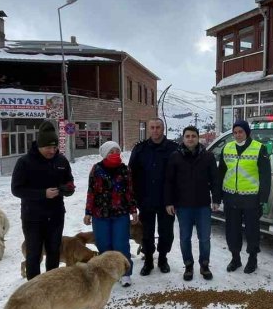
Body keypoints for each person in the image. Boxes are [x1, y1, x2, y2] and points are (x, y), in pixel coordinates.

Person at [11, 120, 75, 280]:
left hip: (56, 215)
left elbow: (70, 182)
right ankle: (34, 287)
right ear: (39, 145)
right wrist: (42, 194)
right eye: (48, 147)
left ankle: (51, 284)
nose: (52, 151)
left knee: (54, 251)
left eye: (55, 147)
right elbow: (16, 189)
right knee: (34, 253)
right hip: (33, 217)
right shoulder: (25, 162)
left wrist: (68, 189)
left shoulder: (61, 161)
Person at [165, 125, 221, 281]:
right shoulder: (175, 157)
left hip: (203, 205)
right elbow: (169, 182)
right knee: (184, 238)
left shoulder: (207, 156)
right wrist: (169, 202)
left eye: (193, 136)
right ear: (183, 138)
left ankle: (204, 265)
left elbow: (215, 180)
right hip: (183, 206)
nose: (190, 139)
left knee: (205, 238)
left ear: (198, 138)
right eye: (187, 136)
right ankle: (188, 265)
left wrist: (216, 199)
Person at [217, 119, 271, 274]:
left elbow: (265, 176)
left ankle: (252, 259)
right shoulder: (227, 148)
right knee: (232, 230)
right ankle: (235, 258)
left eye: (240, 132)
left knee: (252, 231)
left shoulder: (259, 148)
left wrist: (262, 199)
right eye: (235, 132)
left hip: (251, 198)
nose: (237, 135)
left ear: (247, 133)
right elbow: (221, 173)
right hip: (230, 197)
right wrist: (218, 196)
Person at [83, 140, 136, 287]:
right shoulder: (96, 169)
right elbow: (91, 192)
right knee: (104, 245)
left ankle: (125, 273)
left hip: (120, 214)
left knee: (121, 244)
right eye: (111, 152)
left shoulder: (125, 170)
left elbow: (130, 192)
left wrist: (133, 211)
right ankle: (107, 274)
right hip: (100, 214)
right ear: (105, 154)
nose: (115, 154)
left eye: (117, 151)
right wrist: (88, 212)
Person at [129, 118, 178, 275]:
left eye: (158, 127)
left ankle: (163, 258)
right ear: (148, 129)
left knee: (166, 233)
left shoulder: (174, 149)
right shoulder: (140, 149)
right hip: (146, 199)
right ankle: (148, 260)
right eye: (152, 127)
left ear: (163, 129)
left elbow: (179, 175)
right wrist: (134, 199)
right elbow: (131, 175)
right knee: (146, 233)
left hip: (167, 200)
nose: (155, 130)